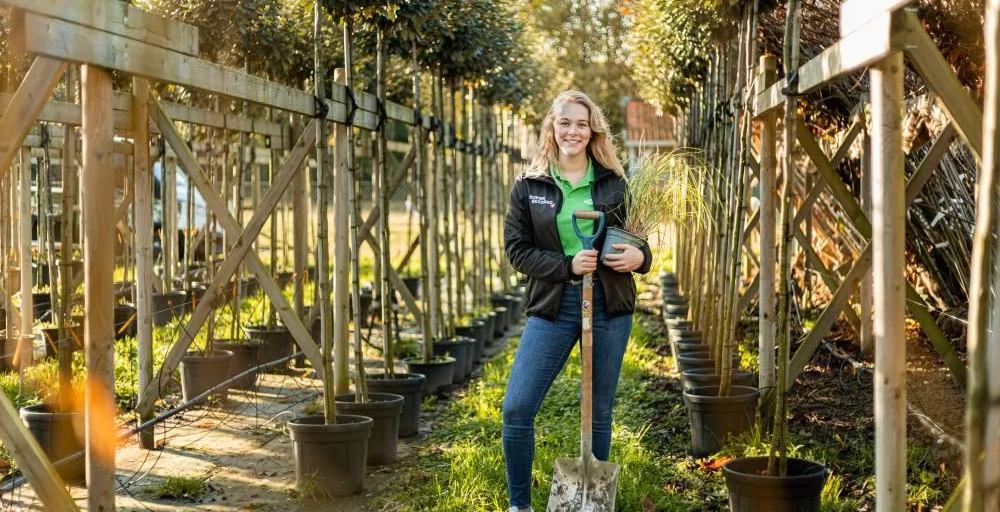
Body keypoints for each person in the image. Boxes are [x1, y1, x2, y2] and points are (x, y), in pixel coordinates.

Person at [501, 90, 653, 511]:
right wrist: (567, 265)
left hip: (608, 306)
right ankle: (519, 505)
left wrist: (641, 257)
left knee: (599, 409)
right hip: (553, 307)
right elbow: (517, 250)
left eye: (581, 124)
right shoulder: (529, 186)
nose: (573, 130)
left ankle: (590, 500)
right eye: (565, 122)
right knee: (516, 407)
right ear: (552, 127)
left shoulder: (613, 184)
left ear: (593, 130)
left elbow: (641, 242)